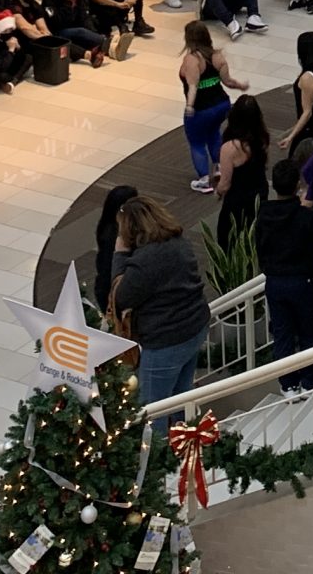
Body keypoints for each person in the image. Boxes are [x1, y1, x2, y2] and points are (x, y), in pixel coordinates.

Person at [108, 197, 207, 427]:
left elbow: (121, 297)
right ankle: (186, 439)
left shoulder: (145, 261)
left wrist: (120, 254)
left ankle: (158, 455)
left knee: (153, 409)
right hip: (195, 327)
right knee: (182, 393)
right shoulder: (178, 241)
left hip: (165, 342)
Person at [254, 161, 313, 394]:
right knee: (307, 330)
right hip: (304, 280)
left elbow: (259, 249)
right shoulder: (307, 216)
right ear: (297, 185)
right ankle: (310, 378)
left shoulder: (263, 214)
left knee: (282, 334)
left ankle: (288, 384)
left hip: (275, 281)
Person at [178, 22, 247, 196]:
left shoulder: (192, 59)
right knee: (213, 134)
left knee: (197, 143)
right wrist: (241, 86)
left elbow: (193, 86)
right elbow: (228, 81)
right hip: (222, 105)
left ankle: (203, 180)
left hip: (202, 109)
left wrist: (189, 106)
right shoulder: (217, 56)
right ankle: (218, 168)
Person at [213, 97, 270, 247]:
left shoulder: (230, 148)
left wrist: (217, 193)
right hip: (259, 193)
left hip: (238, 200)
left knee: (228, 239)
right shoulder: (262, 138)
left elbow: (225, 184)